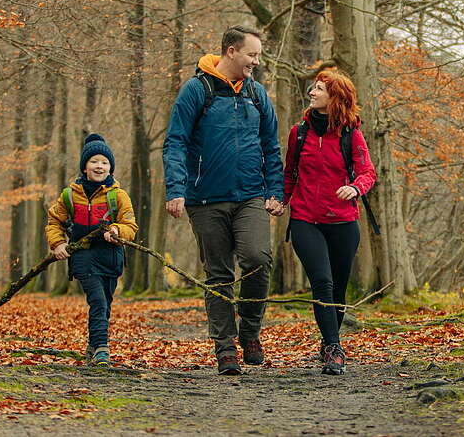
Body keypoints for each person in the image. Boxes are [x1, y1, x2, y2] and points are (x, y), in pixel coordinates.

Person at [162, 26, 285, 375]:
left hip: (250, 195)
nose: (256, 62)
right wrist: (176, 190)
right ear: (231, 51)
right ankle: (225, 346)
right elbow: (175, 142)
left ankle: (249, 331)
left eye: (258, 56)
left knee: (258, 259)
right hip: (205, 199)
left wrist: (275, 192)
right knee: (217, 274)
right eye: (252, 55)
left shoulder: (257, 95)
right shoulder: (197, 90)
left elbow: (271, 148)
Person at [284, 69, 377, 375]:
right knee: (321, 282)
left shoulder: (351, 134)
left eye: (320, 89)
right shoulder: (299, 132)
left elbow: (368, 173)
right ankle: (335, 348)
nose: (312, 92)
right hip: (305, 218)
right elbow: (289, 174)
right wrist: (280, 200)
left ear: (334, 98)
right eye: (313, 87)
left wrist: (354, 188)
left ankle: (327, 343)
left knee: (337, 288)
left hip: (342, 222)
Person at [45, 133, 139, 367]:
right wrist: (58, 244)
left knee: (105, 302)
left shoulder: (118, 196)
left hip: (111, 257)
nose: (99, 166)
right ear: (85, 166)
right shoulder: (69, 195)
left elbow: (130, 225)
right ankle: (103, 349)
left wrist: (116, 231)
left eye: (105, 162)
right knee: (97, 300)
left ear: (111, 168)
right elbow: (54, 221)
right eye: (94, 161)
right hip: (83, 255)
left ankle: (92, 345)